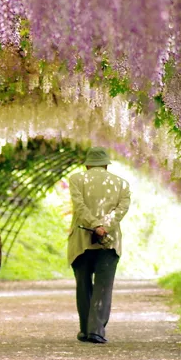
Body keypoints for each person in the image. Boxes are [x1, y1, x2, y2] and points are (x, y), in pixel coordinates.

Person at [67, 147, 131, 344]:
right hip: (109, 241)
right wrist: (104, 226)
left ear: (87, 164)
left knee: (83, 285)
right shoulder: (122, 183)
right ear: (106, 164)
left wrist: (94, 225)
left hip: (81, 239)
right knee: (103, 286)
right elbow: (121, 209)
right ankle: (96, 330)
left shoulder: (76, 179)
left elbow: (79, 206)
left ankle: (86, 330)